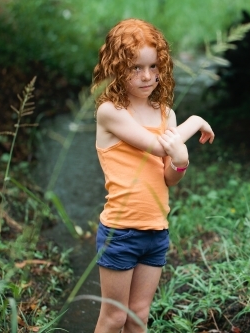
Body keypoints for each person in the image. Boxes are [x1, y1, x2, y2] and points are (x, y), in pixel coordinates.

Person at [91, 18, 214, 333]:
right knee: (114, 317)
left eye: (153, 66)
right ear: (117, 67)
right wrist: (196, 120)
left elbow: (169, 176)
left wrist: (182, 161)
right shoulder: (111, 112)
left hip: (156, 231)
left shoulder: (166, 114)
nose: (147, 76)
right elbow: (159, 147)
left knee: (138, 316)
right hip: (121, 232)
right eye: (135, 68)